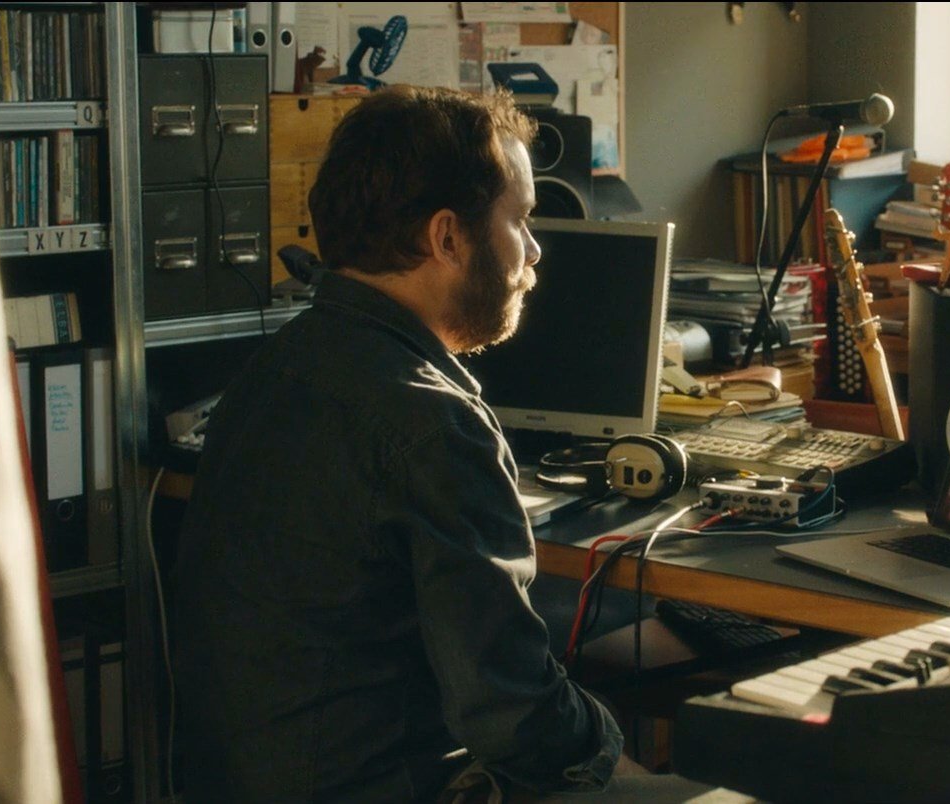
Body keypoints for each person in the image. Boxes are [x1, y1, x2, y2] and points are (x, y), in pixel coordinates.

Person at [172, 87, 691, 803]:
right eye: (521, 220)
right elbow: (514, 718)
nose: (535, 251)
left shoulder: (273, 370)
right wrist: (624, 767)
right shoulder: (432, 424)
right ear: (447, 238)